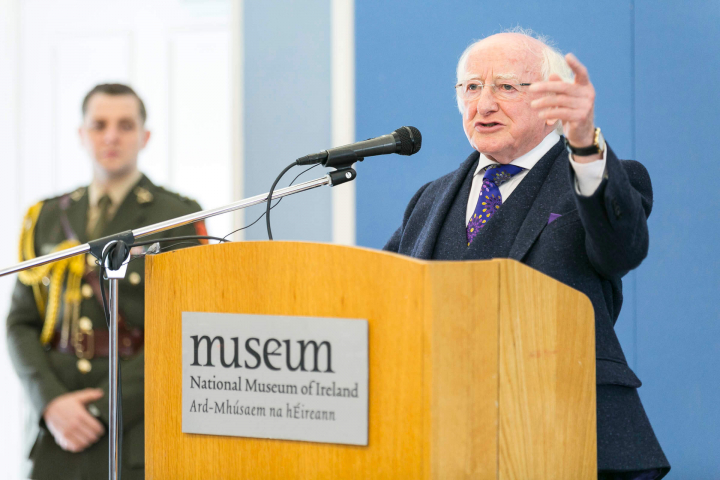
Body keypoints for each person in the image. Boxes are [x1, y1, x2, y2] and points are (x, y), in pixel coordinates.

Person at [384, 31, 670, 479]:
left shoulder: (595, 176)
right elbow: (380, 297)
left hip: (568, 429)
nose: (485, 104)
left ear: (552, 101)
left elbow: (622, 250)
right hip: (439, 436)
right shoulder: (431, 198)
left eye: (507, 86)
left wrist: (585, 145)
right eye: (472, 87)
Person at [7, 83, 206, 479]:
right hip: (55, 434)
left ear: (144, 137)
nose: (111, 135)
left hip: (133, 430)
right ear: (82, 135)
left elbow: (189, 330)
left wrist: (103, 409)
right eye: (99, 124)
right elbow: (21, 323)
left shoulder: (177, 216)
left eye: (125, 125)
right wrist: (50, 403)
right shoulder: (46, 216)